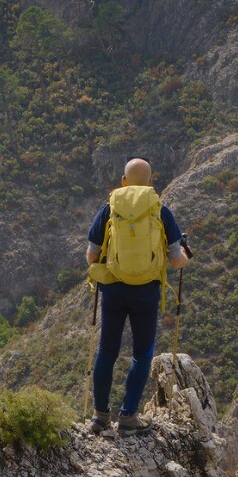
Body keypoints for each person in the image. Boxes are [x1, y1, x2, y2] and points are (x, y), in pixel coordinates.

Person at [85, 158, 188, 434]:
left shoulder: (108, 210)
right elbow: (177, 260)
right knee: (142, 354)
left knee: (107, 350)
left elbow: (92, 255)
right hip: (146, 292)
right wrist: (185, 253)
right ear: (151, 182)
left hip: (114, 290)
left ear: (124, 182)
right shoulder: (161, 211)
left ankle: (100, 416)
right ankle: (129, 417)